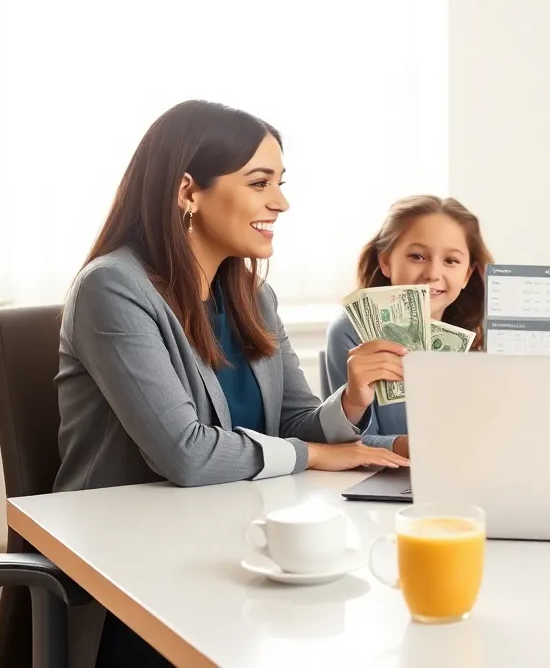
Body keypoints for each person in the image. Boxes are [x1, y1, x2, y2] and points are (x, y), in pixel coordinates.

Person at [51, 99, 409, 666]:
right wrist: (316, 453)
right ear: (187, 190)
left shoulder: (251, 296)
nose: (281, 202)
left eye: (280, 182)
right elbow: (187, 455)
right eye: (259, 182)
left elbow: (294, 424)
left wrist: (361, 411)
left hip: (234, 537)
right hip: (132, 565)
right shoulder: (113, 289)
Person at [324, 195, 492, 457]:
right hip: (391, 478)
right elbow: (346, 443)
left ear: (467, 275)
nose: (433, 273)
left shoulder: (485, 336)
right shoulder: (350, 332)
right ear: (386, 261)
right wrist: (416, 447)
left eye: (451, 261)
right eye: (417, 256)